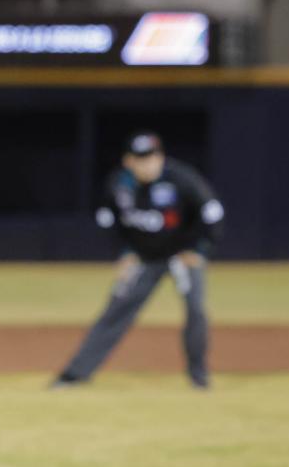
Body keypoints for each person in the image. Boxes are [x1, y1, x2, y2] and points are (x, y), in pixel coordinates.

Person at [51, 132, 224, 389]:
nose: (148, 164)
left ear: (161, 157)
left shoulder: (182, 179)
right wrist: (124, 254)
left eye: (153, 157)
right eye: (141, 159)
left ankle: (199, 378)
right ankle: (74, 375)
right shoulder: (119, 185)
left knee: (196, 310)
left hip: (180, 255)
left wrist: (200, 250)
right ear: (128, 161)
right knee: (115, 311)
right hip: (144, 257)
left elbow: (212, 213)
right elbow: (109, 222)